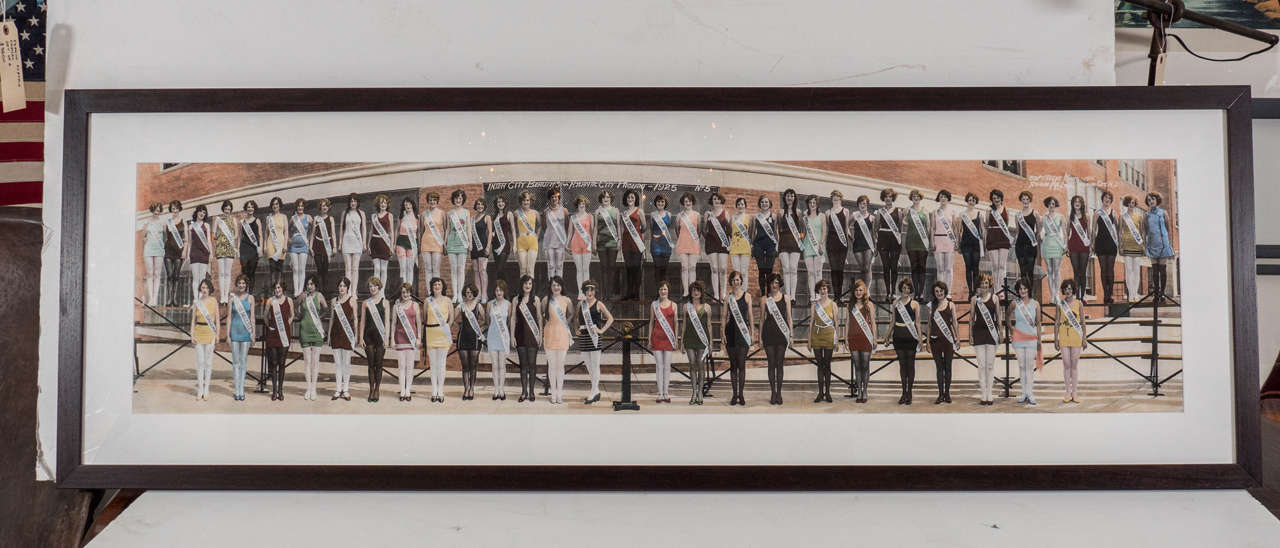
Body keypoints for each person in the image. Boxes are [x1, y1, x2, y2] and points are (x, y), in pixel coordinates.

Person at [883, 278, 924, 405]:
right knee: (902, 365)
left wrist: (920, 339)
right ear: (901, 289)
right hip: (899, 336)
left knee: (910, 365)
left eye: (908, 288)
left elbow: (917, 323)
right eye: (904, 288)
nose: (906, 290)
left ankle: (909, 392)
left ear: (911, 290)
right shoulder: (895, 303)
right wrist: (887, 336)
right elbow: (893, 321)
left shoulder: (915, 304)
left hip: (911, 337)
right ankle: (903, 392)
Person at [576, 279, 614, 404]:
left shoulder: (599, 304)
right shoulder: (580, 304)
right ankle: (596, 390)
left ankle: (593, 391)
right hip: (584, 337)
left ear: (595, 291)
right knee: (588, 365)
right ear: (584, 291)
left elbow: (610, 319)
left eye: (592, 289)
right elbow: (576, 319)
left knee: (595, 365)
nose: (589, 292)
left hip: (594, 337)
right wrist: (576, 329)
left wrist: (602, 330)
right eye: (587, 289)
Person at [721, 270, 754, 406]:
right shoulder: (728, 298)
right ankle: (734, 395)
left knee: (742, 364)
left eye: (739, 279)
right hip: (730, 332)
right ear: (731, 282)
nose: (737, 282)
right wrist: (722, 333)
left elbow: (750, 316)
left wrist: (751, 333)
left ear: (741, 281)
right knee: (733, 365)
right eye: (734, 280)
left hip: (743, 333)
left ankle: (741, 394)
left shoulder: (747, 296)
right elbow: (723, 317)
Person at [758, 272, 792, 405]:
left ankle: (779, 393)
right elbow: (761, 319)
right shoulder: (764, 299)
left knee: (780, 364)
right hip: (769, 333)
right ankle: (773, 392)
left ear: (780, 284)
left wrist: (791, 335)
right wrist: (760, 338)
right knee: (771, 364)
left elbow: (789, 318)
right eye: (772, 283)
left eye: (777, 283)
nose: (774, 285)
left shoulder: (786, 298)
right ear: (769, 284)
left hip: (782, 334)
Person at [969, 273, 1002, 406]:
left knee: (990, 365)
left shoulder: (994, 298)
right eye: (982, 283)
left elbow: (999, 317)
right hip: (978, 333)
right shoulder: (974, 299)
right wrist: (970, 335)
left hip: (991, 333)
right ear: (979, 285)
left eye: (986, 283)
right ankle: (983, 394)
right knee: (981, 365)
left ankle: (990, 393)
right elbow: (971, 318)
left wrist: (1001, 332)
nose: (984, 285)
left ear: (990, 285)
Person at [1007, 279, 1041, 405]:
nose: (1022, 291)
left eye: (1025, 288)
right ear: (1018, 290)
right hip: (1019, 339)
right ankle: (1023, 393)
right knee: (1022, 365)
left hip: (1032, 338)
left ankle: (1030, 393)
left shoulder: (1035, 304)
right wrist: (1012, 331)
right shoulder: (1014, 304)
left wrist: (1039, 340)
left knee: (1029, 366)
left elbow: (1038, 323)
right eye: (1020, 289)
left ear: (1028, 289)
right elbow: (1007, 317)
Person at [678, 280, 711, 405]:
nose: (696, 292)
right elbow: (684, 325)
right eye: (693, 290)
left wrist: (711, 343)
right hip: (690, 338)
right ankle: (694, 391)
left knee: (700, 365)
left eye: (698, 290)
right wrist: (681, 342)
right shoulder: (686, 306)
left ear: (701, 292)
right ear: (691, 293)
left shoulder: (707, 307)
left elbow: (709, 325)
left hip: (702, 340)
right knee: (692, 364)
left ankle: (700, 392)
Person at [388, 282, 423, 402]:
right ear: (400, 293)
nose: (405, 294)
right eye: (403, 292)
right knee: (401, 366)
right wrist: (392, 339)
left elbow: (418, 323)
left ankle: (408, 390)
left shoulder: (415, 305)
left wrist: (419, 338)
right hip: (400, 338)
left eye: (407, 292)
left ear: (411, 293)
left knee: (410, 366)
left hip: (412, 339)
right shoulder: (396, 307)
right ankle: (402, 390)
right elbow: (393, 324)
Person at [1055, 279, 1088, 403]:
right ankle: (1067, 392)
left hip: (1076, 336)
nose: (1068, 291)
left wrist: (1084, 338)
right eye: (1065, 288)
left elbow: (1083, 322)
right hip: (1064, 335)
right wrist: (1055, 339)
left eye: (1070, 288)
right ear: (1063, 290)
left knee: (1074, 365)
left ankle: (1075, 392)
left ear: (1073, 290)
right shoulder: (1060, 304)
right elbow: (1057, 322)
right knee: (1066, 364)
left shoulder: (1079, 303)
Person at [358, 277, 390, 402]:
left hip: (380, 337)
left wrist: (386, 338)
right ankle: (371, 389)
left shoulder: (385, 302)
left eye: (374, 286)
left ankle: (377, 389)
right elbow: (362, 322)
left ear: (379, 287)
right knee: (371, 365)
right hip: (369, 337)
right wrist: (361, 337)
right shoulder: (366, 303)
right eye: (370, 286)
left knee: (379, 364)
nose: (372, 288)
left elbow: (387, 322)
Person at [926, 281, 959, 404]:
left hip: (948, 341)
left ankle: (947, 393)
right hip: (935, 341)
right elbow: (929, 325)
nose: (939, 293)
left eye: (941, 291)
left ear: (945, 291)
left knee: (948, 368)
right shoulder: (931, 306)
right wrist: (928, 342)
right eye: (936, 291)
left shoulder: (951, 305)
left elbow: (955, 322)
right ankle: (940, 394)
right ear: (934, 293)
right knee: (939, 368)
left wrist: (958, 338)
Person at [844, 279, 877, 403]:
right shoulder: (850, 305)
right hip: (853, 338)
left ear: (864, 291)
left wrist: (874, 338)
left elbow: (873, 322)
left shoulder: (869, 305)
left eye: (860, 290)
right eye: (856, 290)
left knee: (865, 365)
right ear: (854, 292)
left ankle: (865, 390)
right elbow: (847, 323)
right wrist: (846, 339)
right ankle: (859, 391)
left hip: (865, 338)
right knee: (857, 366)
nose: (858, 292)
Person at [296, 275, 328, 401]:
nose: (309, 286)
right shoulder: (303, 296)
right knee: (307, 362)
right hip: (305, 331)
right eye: (308, 284)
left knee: (315, 362)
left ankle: (314, 389)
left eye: (312, 284)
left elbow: (326, 309)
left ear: (316, 285)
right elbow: (295, 306)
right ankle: (308, 388)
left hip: (317, 332)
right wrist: (300, 317)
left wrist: (319, 318)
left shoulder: (319, 296)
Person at [510, 275, 542, 402]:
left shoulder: (536, 299)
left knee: (532, 365)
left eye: (530, 283)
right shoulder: (516, 300)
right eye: (525, 283)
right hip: (520, 335)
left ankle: (532, 392)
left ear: (532, 285)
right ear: (521, 285)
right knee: (523, 365)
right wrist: (512, 336)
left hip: (533, 335)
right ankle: (524, 392)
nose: (527, 286)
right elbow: (513, 318)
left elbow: (539, 318)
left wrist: (541, 335)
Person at [543, 276, 574, 404]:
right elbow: (542, 315)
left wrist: (566, 322)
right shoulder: (546, 300)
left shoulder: (567, 300)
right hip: (550, 333)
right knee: (551, 366)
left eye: (558, 285)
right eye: (554, 285)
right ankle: (553, 393)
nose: (556, 287)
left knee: (560, 365)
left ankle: (560, 393)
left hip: (562, 334)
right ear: (550, 287)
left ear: (562, 286)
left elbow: (571, 313)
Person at [225, 274, 255, 401]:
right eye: (239, 283)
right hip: (235, 332)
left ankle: (241, 388)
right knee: (235, 362)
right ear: (236, 285)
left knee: (243, 362)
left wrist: (253, 333)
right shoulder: (232, 299)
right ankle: (236, 389)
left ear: (246, 285)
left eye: (243, 283)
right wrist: (227, 335)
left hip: (246, 332)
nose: (241, 285)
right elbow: (229, 317)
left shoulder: (251, 298)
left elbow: (252, 317)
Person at [424, 277, 455, 402]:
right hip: (431, 334)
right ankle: (434, 391)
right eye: (435, 284)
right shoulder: (427, 301)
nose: (437, 286)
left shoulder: (448, 300)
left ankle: (440, 391)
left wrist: (447, 328)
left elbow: (451, 318)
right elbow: (425, 317)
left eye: (439, 284)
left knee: (441, 364)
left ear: (443, 287)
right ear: (431, 287)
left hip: (443, 335)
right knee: (433, 364)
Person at [262, 280, 294, 401]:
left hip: (284, 335)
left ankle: (280, 390)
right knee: (274, 362)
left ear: (283, 289)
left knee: (282, 363)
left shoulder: (289, 300)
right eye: (275, 288)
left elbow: (292, 315)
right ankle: (274, 391)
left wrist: (286, 325)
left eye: (279, 288)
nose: (277, 290)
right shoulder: (270, 301)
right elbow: (265, 316)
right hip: (273, 335)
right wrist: (269, 326)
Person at [327, 277, 358, 401]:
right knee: (338, 364)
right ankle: (338, 389)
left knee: (346, 363)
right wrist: (329, 335)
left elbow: (355, 318)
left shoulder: (352, 300)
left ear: (348, 288)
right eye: (340, 286)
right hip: (335, 334)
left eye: (344, 286)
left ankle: (346, 389)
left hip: (347, 335)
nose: (341, 288)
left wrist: (355, 336)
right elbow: (332, 319)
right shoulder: (334, 301)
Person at [453, 283, 485, 401]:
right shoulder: (461, 306)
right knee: (465, 365)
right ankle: (466, 389)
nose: (469, 294)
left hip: (475, 339)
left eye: (471, 292)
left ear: (474, 293)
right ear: (464, 294)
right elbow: (452, 320)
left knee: (473, 365)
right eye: (467, 293)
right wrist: (459, 326)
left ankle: (472, 388)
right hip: (463, 338)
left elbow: (485, 321)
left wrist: (480, 329)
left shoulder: (478, 306)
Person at [189, 278, 220, 401]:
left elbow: (217, 320)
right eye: (202, 287)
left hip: (210, 333)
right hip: (198, 333)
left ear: (210, 289)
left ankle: (206, 389)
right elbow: (193, 320)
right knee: (200, 362)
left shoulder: (214, 301)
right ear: (200, 289)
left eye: (207, 287)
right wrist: (192, 334)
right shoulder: (197, 302)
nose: (205, 290)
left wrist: (217, 334)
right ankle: (200, 389)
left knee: (208, 362)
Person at [1144, 191, 1176, 303]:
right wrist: (1145, 244)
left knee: (1162, 270)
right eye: (1149, 200)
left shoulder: (1163, 213)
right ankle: (1156, 294)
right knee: (1154, 270)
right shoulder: (1146, 215)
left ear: (1157, 200)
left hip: (1163, 244)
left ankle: (1162, 294)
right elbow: (1146, 231)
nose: (1151, 201)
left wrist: (1169, 244)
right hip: (1152, 244)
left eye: (1152, 199)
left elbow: (1168, 229)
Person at [649, 280, 678, 403]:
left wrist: (676, 339)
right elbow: (651, 322)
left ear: (668, 290)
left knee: (667, 366)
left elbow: (676, 323)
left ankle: (666, 392)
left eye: (665, 289)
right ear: (658, 291)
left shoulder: (674, 305)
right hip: (657, 337)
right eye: (661, 289)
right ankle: (659, 393)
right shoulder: (654, 304)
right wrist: (649, 338)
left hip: (669, 338)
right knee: (659, 366)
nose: (663, 291)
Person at [809, 279, 837, 403]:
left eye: (825, 288)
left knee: (827, 365)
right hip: (817, 334)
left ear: (828, 290)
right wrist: (809, 340)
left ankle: (828, 393)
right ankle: (820, 393)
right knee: (820, 365)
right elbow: (811, 323)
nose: (823, 290)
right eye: (821, 288)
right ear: (818, 291)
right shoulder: (815, 305)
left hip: (829, 335)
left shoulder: (833, 304)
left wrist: (836, 341)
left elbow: (836, 322)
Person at [1090, 191, 1120, 304]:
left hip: (1112, 243)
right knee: (1103, 269)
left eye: (1109, 198)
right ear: (1102, 199)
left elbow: (1117, 229)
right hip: (1100, 243)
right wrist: (1092, 243)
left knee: (1110, 269)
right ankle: (1105, 294)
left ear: (1111, 201)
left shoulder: (1114, 213)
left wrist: (1119, 242)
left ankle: (1110, 293)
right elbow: (1093, 229)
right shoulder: (1097, 213)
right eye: (1105, 198)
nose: (1107, 200)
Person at [874, 189, 904, 300]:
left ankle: (894, 292)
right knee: (886, 267)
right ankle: (887, 293)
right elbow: (875, 229)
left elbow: (900, 228)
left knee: (894, 267)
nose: (888, 199)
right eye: (886, 196)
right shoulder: (879, 212)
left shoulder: (899, 211)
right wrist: (876, 244)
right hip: (883, 240)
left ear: (893, 198)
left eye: (890, 196)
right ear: (883, 198)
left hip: (895, 240)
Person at [903, 190, 931, 302]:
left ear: (920, 198)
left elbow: (928, 227)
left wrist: (930, 241)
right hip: (911, 242)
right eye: (914, 196)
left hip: (923, 243)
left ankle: (921, 293)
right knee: (914, 268)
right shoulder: (907, 210)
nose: (916, 198)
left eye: (918, 196)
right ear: (911, 198)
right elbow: (903, 225)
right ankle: (915, 293)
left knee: (922, 268)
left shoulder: (925, 211)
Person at [777, 189, 805, 301]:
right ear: (785, 198)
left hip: (795, 243)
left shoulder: (798, 212)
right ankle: (787, 295)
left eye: (792, 196)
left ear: (795, 198)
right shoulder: (780, 212)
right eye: (788, 196)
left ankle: (792, 296)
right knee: (786, 269)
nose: (790, 198)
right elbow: (778, 228)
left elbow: (802, 229)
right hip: (784, 242)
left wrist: (800, 240)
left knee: (793, 269)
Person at [487, 279, 512, 400]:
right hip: (492, 336)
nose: (499, 292)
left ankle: (502, 389)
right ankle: (496, 389)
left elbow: (509, 321)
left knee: (502, 365)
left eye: (501, 290)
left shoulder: (508, 304)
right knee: (494, 365)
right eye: (497, 290)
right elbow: (488, 321)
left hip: (503, 337)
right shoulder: (490, 304)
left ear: (504, 291)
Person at [985, 189, 1014, 298]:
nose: (996, 199)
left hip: (1003, 237)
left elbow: (1006, 224)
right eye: (994, 198)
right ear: (992, 199)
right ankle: (996, 289)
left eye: (997, 197)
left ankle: (1001, 290)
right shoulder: (989, 210)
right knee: (995, 266)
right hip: (992, 236)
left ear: (1001, 198)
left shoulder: (1007, 210)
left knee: (1002, 266)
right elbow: (986, 224)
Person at [703, 193, 731, 302]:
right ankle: (716, 295)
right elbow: (704, 230)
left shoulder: (726, 213)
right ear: (712, 200)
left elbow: (729, 230)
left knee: (723, 269)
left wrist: (730, 244)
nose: (716, 201)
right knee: (714, 269)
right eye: (714, 199)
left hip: (723, 243)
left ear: (721, 200)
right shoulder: (707, 213)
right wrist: (706, 220)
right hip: (711, 243)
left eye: (718, 199)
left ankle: (723, 294)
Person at [445, 190, 472, 304]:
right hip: (452, 242)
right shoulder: (449, 213)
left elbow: (468, 228)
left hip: (463, 243)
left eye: (460, 198)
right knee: (453, 269)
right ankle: (455, 294)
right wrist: (445, 243)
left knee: (461, 269)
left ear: (463, 199)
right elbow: (447, 229)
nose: (458, 200)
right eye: (456, 198)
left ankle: (460, 294)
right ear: (453, 199)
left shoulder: (466, 212)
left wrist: (470, 243)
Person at [619, 189, 646, 300]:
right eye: (628, 197)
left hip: (636, 242)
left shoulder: (639, 211)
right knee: (628, 268)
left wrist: (638, 234)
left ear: (635, 199)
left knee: (636, 267)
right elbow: (621, 228)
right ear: (626, 199)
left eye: (632, 198)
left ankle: (636, 293)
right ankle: (629, 293)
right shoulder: (623, 213)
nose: (630, 199)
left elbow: (644, 227)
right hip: (626, 243)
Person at [931, 190, 958, 299]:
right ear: (939, 198)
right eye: (941, 196)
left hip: (949, 240)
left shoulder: (952, 212)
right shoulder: (935, 212)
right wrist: (932, 241)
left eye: (945, 197)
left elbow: (955, 228)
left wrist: (956, 242)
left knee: (948, 268)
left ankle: (948, 292)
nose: (943, 199)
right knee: (940, 268)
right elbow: (932, 228)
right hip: (938, 239)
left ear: (948, 198)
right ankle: (940, 292)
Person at [674, 192, 703, 298]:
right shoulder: (679, 216)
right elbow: (677, 230)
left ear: (692, 202)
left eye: (689, 201)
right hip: (682, 243)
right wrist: (683, 238)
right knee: (684, 267)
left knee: (692, 267)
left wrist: (694, 239)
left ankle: (692, 290)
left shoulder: (697, 215)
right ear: (683, 202)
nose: (688, 203)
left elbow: (699, 231)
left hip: (693, 244)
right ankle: (686, 291)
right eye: (686, 201)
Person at [1118, 196, 1146, 302]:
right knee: (1128, 270)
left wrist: (1143, 245)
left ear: (1135, 204)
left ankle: (1135, 294)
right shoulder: (1122, 217)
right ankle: (1130, 294)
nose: (1131, 204)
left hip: (1137, 245)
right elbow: (1120, 232)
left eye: (1133, 203)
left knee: (1136, 270)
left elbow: (1142, 232)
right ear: (1126, 204)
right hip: (1126, 245)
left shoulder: (1139, 217)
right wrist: (1120, 246)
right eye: (1129, 202)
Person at [825, 190, 852, 304]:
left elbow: (846, 228)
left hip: (842, 243)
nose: (836, 199)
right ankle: (835, 296)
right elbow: (827, 229)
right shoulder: (827, 212)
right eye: (834, 197)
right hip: (831, 242)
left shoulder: (846, 211)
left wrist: (851, 238)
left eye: (838, 197)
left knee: (840, 270)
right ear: (831, 199)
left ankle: (839, 297)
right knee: (833, 269)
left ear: (841, 198)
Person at [957, 192, 985, 301]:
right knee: (968, 267)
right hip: (965, 244)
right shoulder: (962, 214)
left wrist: (984, 244)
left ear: (975, 202)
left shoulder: (979, 214)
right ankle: (970, 291)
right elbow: (959, 230)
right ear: (967, 201)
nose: (971, 202)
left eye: (973, 200)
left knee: (976, 267)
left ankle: (977, 290)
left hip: (976, 244)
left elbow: (982, 230)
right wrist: (958, 244)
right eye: (969, 200)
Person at [138, 202, 166, 306]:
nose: (156, 212)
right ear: (152, 210)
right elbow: (143, 237)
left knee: (157, 274)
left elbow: (165, 237)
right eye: (155, 210)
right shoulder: (147, 222)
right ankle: (150, 298)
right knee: (149, 273)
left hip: (159, 250)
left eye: (158, 210)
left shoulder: (163, 223)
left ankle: (155, 298)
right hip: (149, 249)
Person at [1012, 190, 1040, 298]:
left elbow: (1038, 230)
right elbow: (1018, 231)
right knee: (1023, 272)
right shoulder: (1017, 215)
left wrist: (1034, 241)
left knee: (1030, 272)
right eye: (1023, 199)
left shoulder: (1035, 213)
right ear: (1021, 200)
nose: (1025, 201)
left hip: (1031, 246)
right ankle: (1022, 294)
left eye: (1027, 199)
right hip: (1020, 246)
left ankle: (1030, 295)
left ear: (1030, 200)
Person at [542, 189, 570, 290]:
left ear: (559, 198)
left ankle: (559, 287)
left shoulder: (564, 211)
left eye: (556, 197)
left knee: (559, 265)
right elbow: (544, 227)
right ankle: (551, 287)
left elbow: (567, 227)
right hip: (549, 242)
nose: (554, 198)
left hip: (560, 241)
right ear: (550, 198)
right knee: (551, 265)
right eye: (552, 197)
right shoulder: (546, 212)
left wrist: (566, 240)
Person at [751, 195, 780, 295]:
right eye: (762, 202)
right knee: (761, 270)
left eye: (766, 202)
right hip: (758, 244)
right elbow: (753, 232)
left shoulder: (774, 216)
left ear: (770, 204)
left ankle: (769, 293)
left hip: (770, 245)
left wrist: (777, 245)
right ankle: (763, 293)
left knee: (769, 270)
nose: (764, 204)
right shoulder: (756, 216)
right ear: (760, 204)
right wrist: (752, 245)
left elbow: (776, 232)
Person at [185, 204, 214, 302]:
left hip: (204, 253)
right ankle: (196, 298)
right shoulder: (191, 226)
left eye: (204, 212)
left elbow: (209, 240)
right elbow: (189, 242)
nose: (202, 213)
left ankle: (201, 298)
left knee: (202, 277)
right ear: (196, 212)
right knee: (195, 277)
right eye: (200, 211)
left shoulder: (206, 225)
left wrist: (211, 253)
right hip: (194, 253)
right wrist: (188, 255)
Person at [568, 195, 596, 297]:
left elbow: (592, 232)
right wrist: (567, 244)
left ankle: (586, 291)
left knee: (586, 269)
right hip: (575, 243)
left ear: (586, 205)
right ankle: (580, 292)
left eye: (583, 204)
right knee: (579, 269)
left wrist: (593, 244)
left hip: (587, 244)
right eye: (580, 203)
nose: (582, 205)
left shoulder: (590, 217)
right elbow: (570, 232)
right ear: (577, 205)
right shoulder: (573, 217)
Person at [1040, 196, 1067, 302]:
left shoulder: (1060, 217)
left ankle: (1056, 294)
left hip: (1057, 244)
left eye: (1053, 204)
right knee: (1050, 271)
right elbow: (1040, 230)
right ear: (1047, 205)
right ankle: (1052, 295)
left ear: (1055, 205)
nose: (1052, 206)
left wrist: (1065, 245)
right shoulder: (1044, 217)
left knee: (1056, 270)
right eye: (1050, 203)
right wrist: (1042, 235)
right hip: (1047, 243)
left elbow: (1064, 232)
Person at [595, 191, 621, 297]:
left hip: (612, 242)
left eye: (608, 197)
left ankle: (610, 293)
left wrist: (619, 240)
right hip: (601, 242)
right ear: (601, 199)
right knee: (604, 267)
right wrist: (593, 242)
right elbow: (595, 228)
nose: (606, 199)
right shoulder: (598, 211)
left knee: (612, 267)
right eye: (604, 197)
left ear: (611, 198)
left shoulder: (616, 211)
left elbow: (618, 226)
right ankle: (604, 293)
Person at [1066, 195, 1092, 302]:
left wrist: (1090, 245)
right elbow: (1067, 232)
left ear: (1082, 204)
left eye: (1079, 202)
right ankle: (1077, 296)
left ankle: (1083, 295)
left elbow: (1089, 232)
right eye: (1075, 201)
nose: (1077, 203)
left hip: (1084, 245)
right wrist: (1067, 246)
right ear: (1072, 204)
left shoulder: (1087, 216)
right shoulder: (1070, 216)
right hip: (1073, 245)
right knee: (1076, 272)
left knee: (1083, 271)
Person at [212, 200, 239, 303]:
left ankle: (226, 296)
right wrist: (218, 236)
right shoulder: (218, 219)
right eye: (226, 209)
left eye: (229, 209)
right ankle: (222, 296)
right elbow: (214, 234)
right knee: (221, 274)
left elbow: (236, 234)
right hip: (220, 248)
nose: (227, 211)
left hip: (229, 248)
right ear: (223, 209)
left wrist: (230, 238)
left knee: (227, 274)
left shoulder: (234, 219)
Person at [849, 195, 876, 299]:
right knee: (862, 268)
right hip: (857, 244)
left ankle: (866, 290)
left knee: (867, 267)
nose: (862, 205)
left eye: (864, 203)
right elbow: (845, 226)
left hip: (868, 245)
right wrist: (851, 237)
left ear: (867, 205)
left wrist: (876, 246)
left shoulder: (872, 217)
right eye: (860, 203)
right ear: (858, 205)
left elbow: (874, 234)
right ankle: (862, 288)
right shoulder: (855, 215)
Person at [801, 195, 826, 304]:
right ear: (808, 204)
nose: (812, 205)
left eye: (814, 203)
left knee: (818, 272)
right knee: (810, 272)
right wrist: (800, 239)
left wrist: (821, 244)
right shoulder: (804, 218)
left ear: (817, 204)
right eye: (810, 203)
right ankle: (812, 296)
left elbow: (824, 231)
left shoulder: (822, 216)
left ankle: (819, 295)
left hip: (818, 247)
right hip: (807, 246)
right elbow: (802, 232)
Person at [339, 194, 367, 291]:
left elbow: (363, 228)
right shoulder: (345, 213)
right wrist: (340, 243)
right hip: (346, 241)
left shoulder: (361, 213)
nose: (353, 203)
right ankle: (348, 291)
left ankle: (354, 292)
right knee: (348, 268)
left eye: (355, 201)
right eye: (351, 201)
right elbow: (341, 229)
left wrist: (364, 243)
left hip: (357, 242)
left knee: (355, 268)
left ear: (357, 202)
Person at [649, 194, 675, 296]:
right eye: (659, 202)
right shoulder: (652, 214)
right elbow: (652, 229)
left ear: (665, 203)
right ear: (656, 203)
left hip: (666, 245)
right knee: (657, 269)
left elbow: (669, 229)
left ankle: (665, 292)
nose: (660, 203)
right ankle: (657, 293)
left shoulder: (669, 214)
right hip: (656, 245)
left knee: (665, 270)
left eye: (662, 202)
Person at [369, 195, 395, 291]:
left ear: (387, 204)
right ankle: (375, 290)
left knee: (383, 269)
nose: (383, 204)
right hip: (374, 243)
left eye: (384, 202)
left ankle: (382, 291)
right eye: (381, 203)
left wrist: (391, 246)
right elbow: (371, 231)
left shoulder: (390, 215)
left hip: (385, 243)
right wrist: (368, 244)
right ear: (378, 204)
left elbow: (391, 231)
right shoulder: (374, 216)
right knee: (376, 269)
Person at [513, 190, 541, 283]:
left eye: (528, 200)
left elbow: (540, 225)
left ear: (530, 201)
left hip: (532, 242)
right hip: (521, 242)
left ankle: (531, 294)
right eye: (524, 200)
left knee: (530, 269)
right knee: (523, 269)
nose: (526, 202)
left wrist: (537, 235)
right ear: (521, 201)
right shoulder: (516, 213)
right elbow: (512, 227)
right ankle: (522, 292)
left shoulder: (535, 213)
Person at [287, 198, 313, 297]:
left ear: (304, 207)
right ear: (296, 207)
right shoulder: (293, 218)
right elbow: (287, 230)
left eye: (302, 206)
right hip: (294, 246)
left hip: (303, 245)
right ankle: (296, 290)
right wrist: (289, 239)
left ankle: (301, 291)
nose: (300, 208)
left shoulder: (309, 218)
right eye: (298, 206)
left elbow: (312, 231)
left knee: (302, 269)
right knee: (295, 269)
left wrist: (309, 241)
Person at [162, 200, 186, 306]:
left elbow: (186, 239)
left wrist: (184, 251)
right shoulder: (167, 222)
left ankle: (174, 299)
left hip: (178, 251)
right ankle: (169, 299)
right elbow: (163, 237)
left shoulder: (183, 221)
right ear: (171, 210)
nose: (174, 210)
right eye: (173, 208)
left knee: (176, 275)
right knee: (169, 275)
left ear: (179, 209)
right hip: (168, 251)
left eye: (176, 208)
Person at [420, 192, 447, 285]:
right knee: (428, 269)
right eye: (430, 200)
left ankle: (436, 290)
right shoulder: (424, 214)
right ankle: (429, 292)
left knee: (436, 269)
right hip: (426, 243)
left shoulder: (442, 213)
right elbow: (421, 231)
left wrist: (444, 244)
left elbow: (446, 229)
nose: (432, 202)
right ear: (428, 201)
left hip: (437, 243)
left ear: (437, 201)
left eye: (434, 200)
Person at [263, 197, 288, 294]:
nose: (275, 206)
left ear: (280, 205)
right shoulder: (268, 218)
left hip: (280, 244)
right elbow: (266, 233)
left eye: (277, 204)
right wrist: (265, 245)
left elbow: (286, 232)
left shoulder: (284, 216)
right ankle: (272, 291)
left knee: (280, 268)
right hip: (271, 244)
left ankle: (279, 289)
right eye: (273, 204)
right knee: (272, 269)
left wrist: (285, 244)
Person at [238, 200, 264, 298]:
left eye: (252, 207)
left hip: (254, 250)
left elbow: (260, 235)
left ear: (254, 208)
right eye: (248, 207)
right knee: (244, 272)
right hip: (244, 250)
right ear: (246, 208)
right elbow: (240, 237)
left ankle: (250, 294)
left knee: (252, 273)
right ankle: (243, 293)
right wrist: (237, 249)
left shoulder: (257, 221)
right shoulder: (242, 222)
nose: (250, 208)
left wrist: (260, 248)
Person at [491, 195, 514, 299]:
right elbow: (492, 231)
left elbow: (513, 230)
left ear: (505, 203)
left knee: (500, 269)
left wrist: (515, 245)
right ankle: (503, 293)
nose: (500, 204)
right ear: (496, 204)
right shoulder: (494, 216)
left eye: (502, 202)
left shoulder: (509, 214)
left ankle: (506, 292)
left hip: (504, 245)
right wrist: (491, 234)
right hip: (495, 245)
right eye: (498, 202)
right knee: (500, 269)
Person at [312, 198, 337, 294]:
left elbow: (333, 234)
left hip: (327, 246)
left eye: (326, 205)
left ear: (328, 207)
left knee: (325, 269)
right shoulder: (316, 219)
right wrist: (310, 247)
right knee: (319, 269)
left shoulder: (331, 219)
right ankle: (319, 290)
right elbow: (313, 234)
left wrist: (334, 247)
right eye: (323, 206)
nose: (325, 207)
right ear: (320, 207)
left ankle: (325, 291)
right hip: (317, 245)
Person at [395, 197, 420, 295]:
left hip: (412, 243)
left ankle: (409, 292)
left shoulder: (417, 217)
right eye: (405, 205)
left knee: (410, 268)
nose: (407, 206)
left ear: (412, 205)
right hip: (401, 242)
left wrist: (418, 245)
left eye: (409, 204)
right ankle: (403, 291)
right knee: (403, 268)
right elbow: (397, 231)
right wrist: (394, 244)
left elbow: (419, 233)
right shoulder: (401, 216)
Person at [470, 198, 493, 301]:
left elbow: (490, 233)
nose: (480, 206)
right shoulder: (472, 219)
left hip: (483, 246)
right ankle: (478, 294)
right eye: (478, 204)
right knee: (475, 271)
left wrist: (488, 246)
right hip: (474, 248)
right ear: (476, 205)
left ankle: (484, 294)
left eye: (482, 204)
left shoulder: (487, 217)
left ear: (484, 206)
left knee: (482, 270)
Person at [728, 197, 753, 288]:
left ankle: (744, 292)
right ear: (736, 206)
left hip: (745, 246)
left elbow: (751, 232)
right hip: (735, 247)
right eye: (738, 204)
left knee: (744, 272)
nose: (740, 206)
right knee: (736, 272)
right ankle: (737, 292)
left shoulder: (749, 218)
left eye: (742, 204)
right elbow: (730, 232)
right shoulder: (732, 218)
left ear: (745, 205)